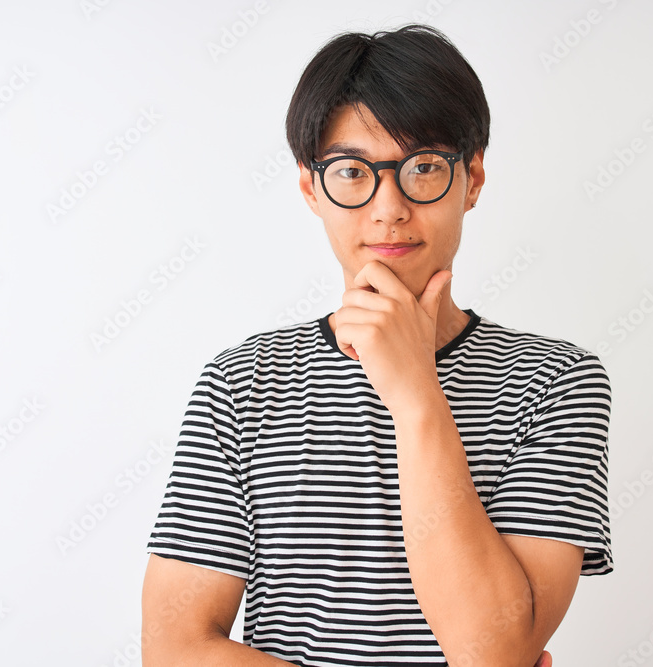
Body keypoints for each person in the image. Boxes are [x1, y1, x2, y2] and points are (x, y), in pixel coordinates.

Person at [140, 23, 612, 666]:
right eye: (353, 172)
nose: (388, 207)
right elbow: (174, 649)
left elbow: (491, 654)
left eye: (423, 167)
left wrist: (417, 396)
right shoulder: (240, 383)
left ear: (472, 179)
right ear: (312, 188)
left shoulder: (559, 382)